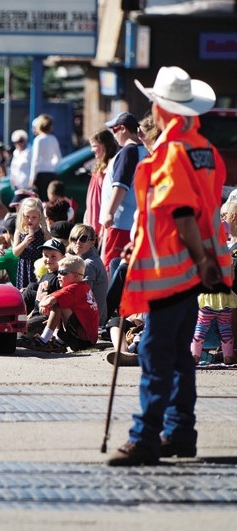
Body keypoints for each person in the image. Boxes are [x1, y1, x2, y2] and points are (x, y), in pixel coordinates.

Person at [108, 66, 230, 467]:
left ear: (162, 108)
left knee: (154, 353)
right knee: (178, 353)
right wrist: (206, 264)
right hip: (192, 272)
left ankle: (144, 437)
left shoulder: (173, 153)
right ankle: (180, 432)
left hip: (172, 272)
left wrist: (198, 260)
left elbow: (180, 213)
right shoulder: (205, 152)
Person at [20, 255, 99, 353]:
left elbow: (50, 301)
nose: (58, 276)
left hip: (82, 340)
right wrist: (46, 304)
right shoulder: (81, 286)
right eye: (58, 272)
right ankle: (58, 342)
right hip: (87, 338)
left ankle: (44, 340)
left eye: (63, 273)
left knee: (57, 304)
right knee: (60, 302)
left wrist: (43, 305)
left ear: (76, 276)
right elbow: (50, 297)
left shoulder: (73, 288)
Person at [100, 112, 148, 274]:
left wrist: (109, 213)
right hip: (134, 222)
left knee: (111, 269)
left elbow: (121, 185)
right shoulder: (144, 151)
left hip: (120, 222)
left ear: (122, 129)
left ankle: (113, 300)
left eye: (114, 130)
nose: (114, 136)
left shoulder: (129, 151)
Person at [68, 223, 108, 326]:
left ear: (92, 242)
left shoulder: (88, 264)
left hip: (91, 321)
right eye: (74, 238)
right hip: (97, 316)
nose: (77, 242)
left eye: (83, 239)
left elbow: (83, 297)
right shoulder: (90, 257)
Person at [85, 129, 119, 237]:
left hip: (101, 224)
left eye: (94, 146)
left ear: (104, 145)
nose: (91, 150)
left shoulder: (111, 168)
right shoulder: (98, 166)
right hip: (92, 222)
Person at [12, 197, 48, 289]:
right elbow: (15, 252)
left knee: (37, 291)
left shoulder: (43, 232)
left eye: (34, 217)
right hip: (24, 267)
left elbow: (50, 248)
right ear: (22, 215)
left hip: (39, 267)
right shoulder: (20, 231)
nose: (30, 220)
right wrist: (25, 242)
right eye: (27, 216)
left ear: (40, 217)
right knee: (24, 292)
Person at [29, 114, 62, 201]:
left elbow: (35, 160)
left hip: (41, 175)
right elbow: (58, 158)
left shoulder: (38, 140)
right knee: (51, 200)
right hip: (52, 174)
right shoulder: (53, 138)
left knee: (41, 200)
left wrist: (32, 177)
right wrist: (51, 166)